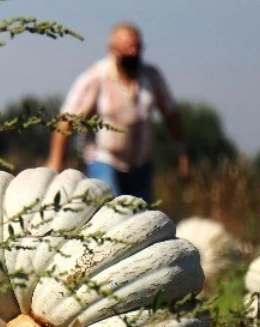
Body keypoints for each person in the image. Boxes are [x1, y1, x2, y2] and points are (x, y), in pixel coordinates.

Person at [47, 22, 188, 202]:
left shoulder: (151, 77)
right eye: (128, 48)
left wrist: (181, 149)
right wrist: (56, 160)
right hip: (104, 160)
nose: (133, 52)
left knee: (143, 217)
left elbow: (171, 114)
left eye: (137, 47)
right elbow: (66, 120)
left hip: (141, 164)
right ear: (113, 49)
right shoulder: (95, 78)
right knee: (112, 212)